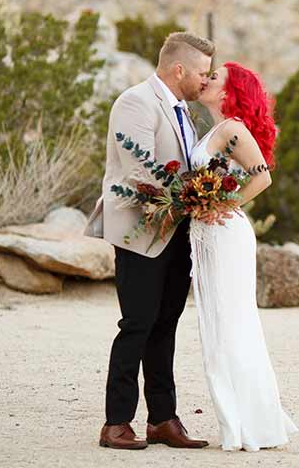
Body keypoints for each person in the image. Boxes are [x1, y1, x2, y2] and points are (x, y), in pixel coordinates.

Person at [84, 31, 213, 451]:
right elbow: (141, 169)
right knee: (136, 325)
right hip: (141, 233)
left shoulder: (183, 110)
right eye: (201, 73)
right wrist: (194, 193)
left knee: (165, 327)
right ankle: (116, 422)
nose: (205, 82)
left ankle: (162, 419)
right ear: (179, 69)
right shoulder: (135, 102)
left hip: (177, 232)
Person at [189, 61, 298, 451]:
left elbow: (262, 174)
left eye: (214, 77)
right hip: (208, 234)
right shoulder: (216, 129)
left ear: (228, 91)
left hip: (226, 233)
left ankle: (248, 423)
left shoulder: (233, 129)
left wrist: (223, 204)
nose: (206, 80)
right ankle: (241, 418)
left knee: (233, 323)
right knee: (219, 326)